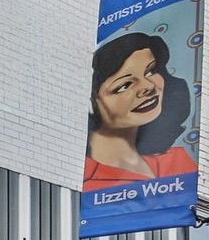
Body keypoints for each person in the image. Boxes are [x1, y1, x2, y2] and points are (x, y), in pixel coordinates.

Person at [84, 33, 197, 189]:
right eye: (124, 86)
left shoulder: (178, 161)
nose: (148, 86)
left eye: (150, 71)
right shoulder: (86, 182)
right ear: (91, 102)